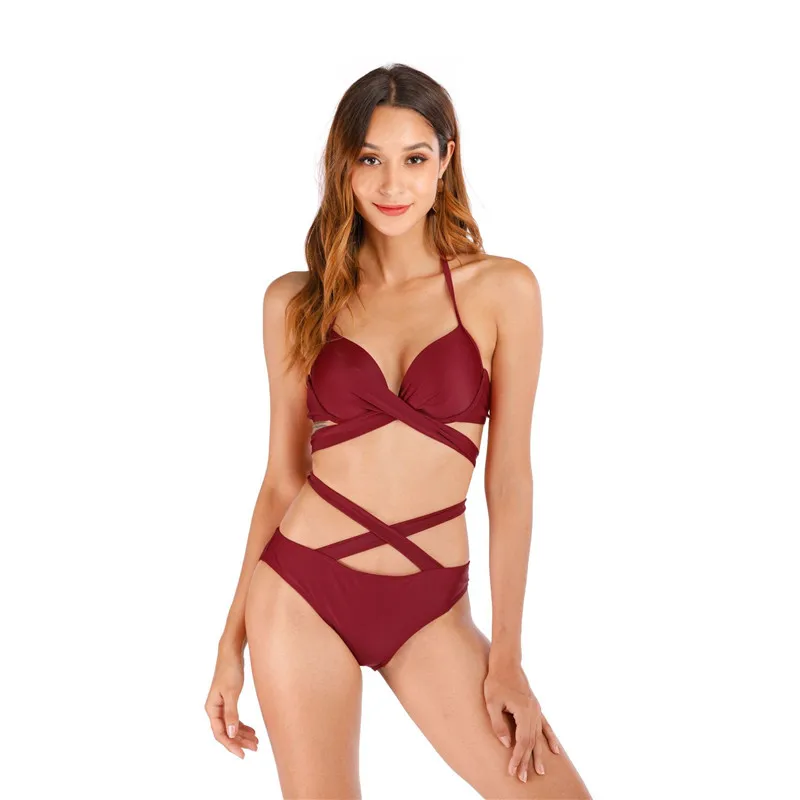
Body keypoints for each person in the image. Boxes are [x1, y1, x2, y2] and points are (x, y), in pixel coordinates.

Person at [205, 63, 592, 799]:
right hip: (301, 590)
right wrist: (231, 643)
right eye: (370, 159)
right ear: (343, 166)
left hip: (431, 605)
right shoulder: (297, 301)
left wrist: (507, 656)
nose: (392, 184)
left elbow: (509, 480)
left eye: (414, 159)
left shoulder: (503, 290)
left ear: (446, 160)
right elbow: (282, 480)